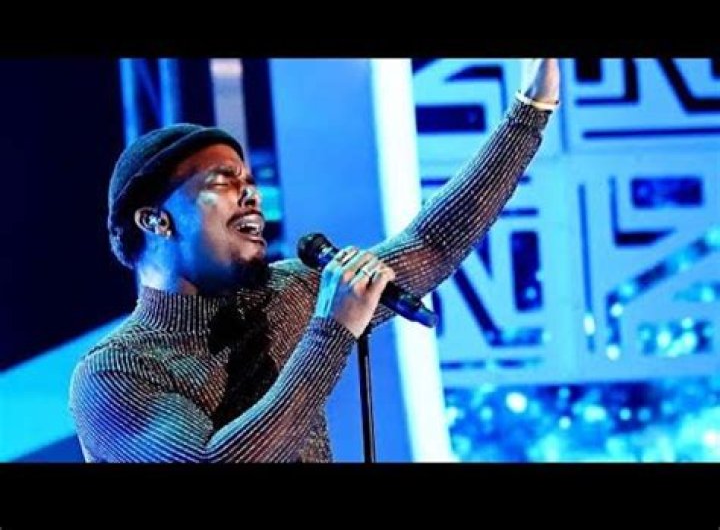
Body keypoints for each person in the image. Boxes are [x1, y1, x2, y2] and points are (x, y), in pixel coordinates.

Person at [68, 58, 560, 462]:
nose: (250, 194)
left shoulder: (286, 294)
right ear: (155, 221)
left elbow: (431, 245)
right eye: (222, 182)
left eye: (249, 181)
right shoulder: (116, 373)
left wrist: (530, 110)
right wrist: (331, 332)